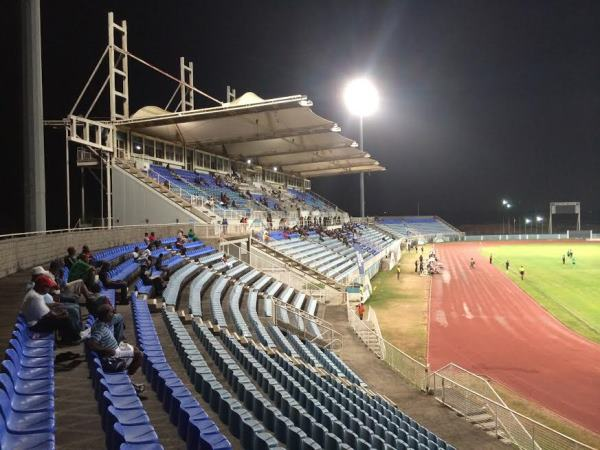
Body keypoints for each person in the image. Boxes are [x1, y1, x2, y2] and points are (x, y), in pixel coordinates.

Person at [86, 304, 144, 393]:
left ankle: (128, 381)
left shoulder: (102, 322)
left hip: (116, 348)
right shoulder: (100, 328)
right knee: (139, 355)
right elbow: (91, 344)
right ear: (105, 315)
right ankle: (128, 381)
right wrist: (106, 350)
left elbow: (118, 317)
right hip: (112, 355)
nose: (113, 314)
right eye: (111, 312)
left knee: (136, 349)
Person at [22, 275, 82, 343]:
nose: (49, 290)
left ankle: (70, 338)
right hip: (34, 326)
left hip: (34, 321)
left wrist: (57, 309)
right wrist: (62, 314)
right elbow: (49, 315)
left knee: (63, 316)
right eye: (48, 287)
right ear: (42, 287)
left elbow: (45, 307)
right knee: (64, 319)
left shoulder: (34, 293)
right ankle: (74, 339)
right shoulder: (36, 297)